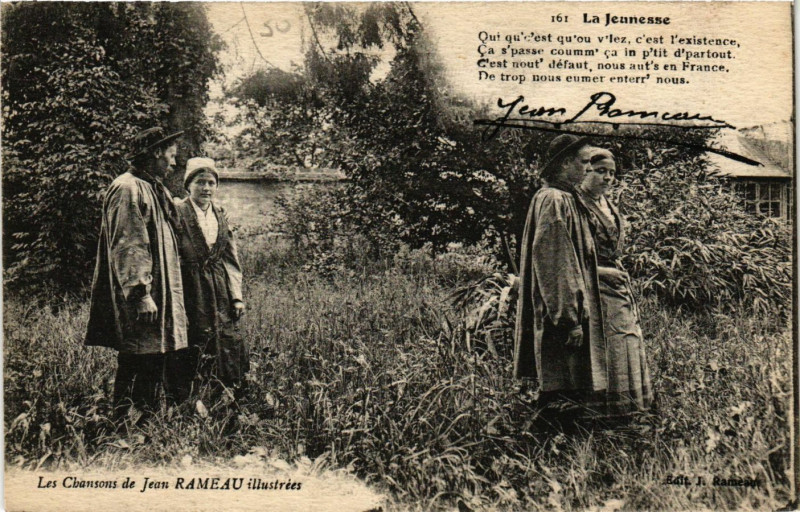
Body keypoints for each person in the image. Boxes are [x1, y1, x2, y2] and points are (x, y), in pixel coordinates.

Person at [85, 126, 190, 419]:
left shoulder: (156, 188)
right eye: (170, 155)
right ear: (155, 153)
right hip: (142, 295)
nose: (173, 162)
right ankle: (124, 423)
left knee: (153, 356)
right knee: (137, 356)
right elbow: (129, 244)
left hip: (160, 293)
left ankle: (144, 421)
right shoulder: (128, 187)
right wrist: (140, 293)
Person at [513, 133, 608, 422]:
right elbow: (557, 265)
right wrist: (570, 318)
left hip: (564, 312)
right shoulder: (555, 200)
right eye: (584, 162)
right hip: (559, 316)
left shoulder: (566, 198)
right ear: (565, 164)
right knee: (559, 384)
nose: (589, 169)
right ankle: (550, 449)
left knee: (566, 384)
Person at [576, 147, 653, 416]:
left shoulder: (608, 205)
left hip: (617, 286)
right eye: (600, 171)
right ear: (585, 170)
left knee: (627, 342)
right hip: (592, 286)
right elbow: (569, 255)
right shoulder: (577, 204)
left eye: (611, 173)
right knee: (605, 346)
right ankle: (603, 414)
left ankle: (631, 408)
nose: (608, 178)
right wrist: (600, 271)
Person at [174, 157, 249, 397]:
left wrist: (236, 297)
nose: (206, 188)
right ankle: (191, 394)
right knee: (194, 336)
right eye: (200, 182)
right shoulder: (177, 212)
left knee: (226, 337)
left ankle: (225, 391)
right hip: (189, 285)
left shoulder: (220, 215)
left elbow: (230, 259)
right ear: (188, 185)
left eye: (211, 183)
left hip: (219, 288)